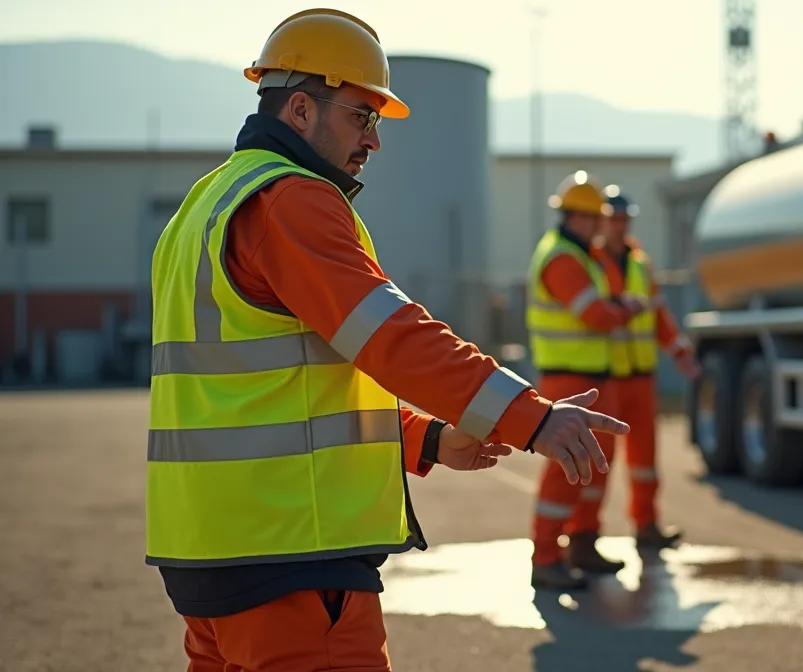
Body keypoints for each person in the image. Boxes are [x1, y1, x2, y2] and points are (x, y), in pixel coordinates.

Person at [146, 10, 626, 670]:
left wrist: (428, 438)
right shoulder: (289, 201)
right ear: (299, 110)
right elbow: (393, 337)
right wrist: (528, 417)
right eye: (359, 115)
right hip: (291, 562)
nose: (373, 140)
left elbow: (281, 390)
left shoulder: (203, 206)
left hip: (208, 555)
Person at [528, 171, 644, 589]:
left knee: (592, 469)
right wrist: (624, 310)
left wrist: (614, 305)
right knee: (566, 470)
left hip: (593, 380)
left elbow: (598, 305)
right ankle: (545, 556)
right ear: (575, 217)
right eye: (595, 217)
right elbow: (593, 315)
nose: (601, 225)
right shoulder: (562, 257)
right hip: (569, 382)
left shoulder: (581, 254)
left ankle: (582, 543)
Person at [594, 184, 702, 549]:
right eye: (613, 220)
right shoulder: (590, 261)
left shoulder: (640, 262)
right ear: (602, 222)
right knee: (597, 462)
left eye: (624, 220)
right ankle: (583, 534)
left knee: (645, 462)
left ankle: (647, 525)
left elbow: (658, 315)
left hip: (640, 377)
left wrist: (679, 350)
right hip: (606, 378)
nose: (619, 227)